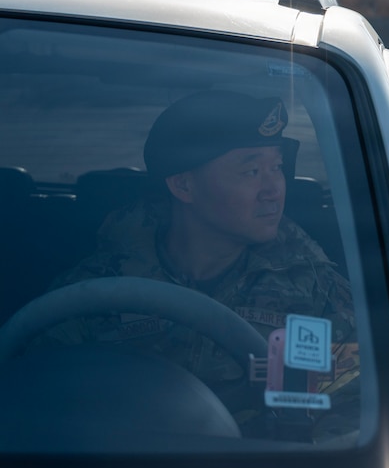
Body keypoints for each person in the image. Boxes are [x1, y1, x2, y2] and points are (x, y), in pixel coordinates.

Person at [47, 90, 357, 437]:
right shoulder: (94, 293)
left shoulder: (315, 290)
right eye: (252, 171)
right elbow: (40, 408)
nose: (274, 189)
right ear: (183, 185)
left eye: (277, 167)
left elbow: (352, 412)